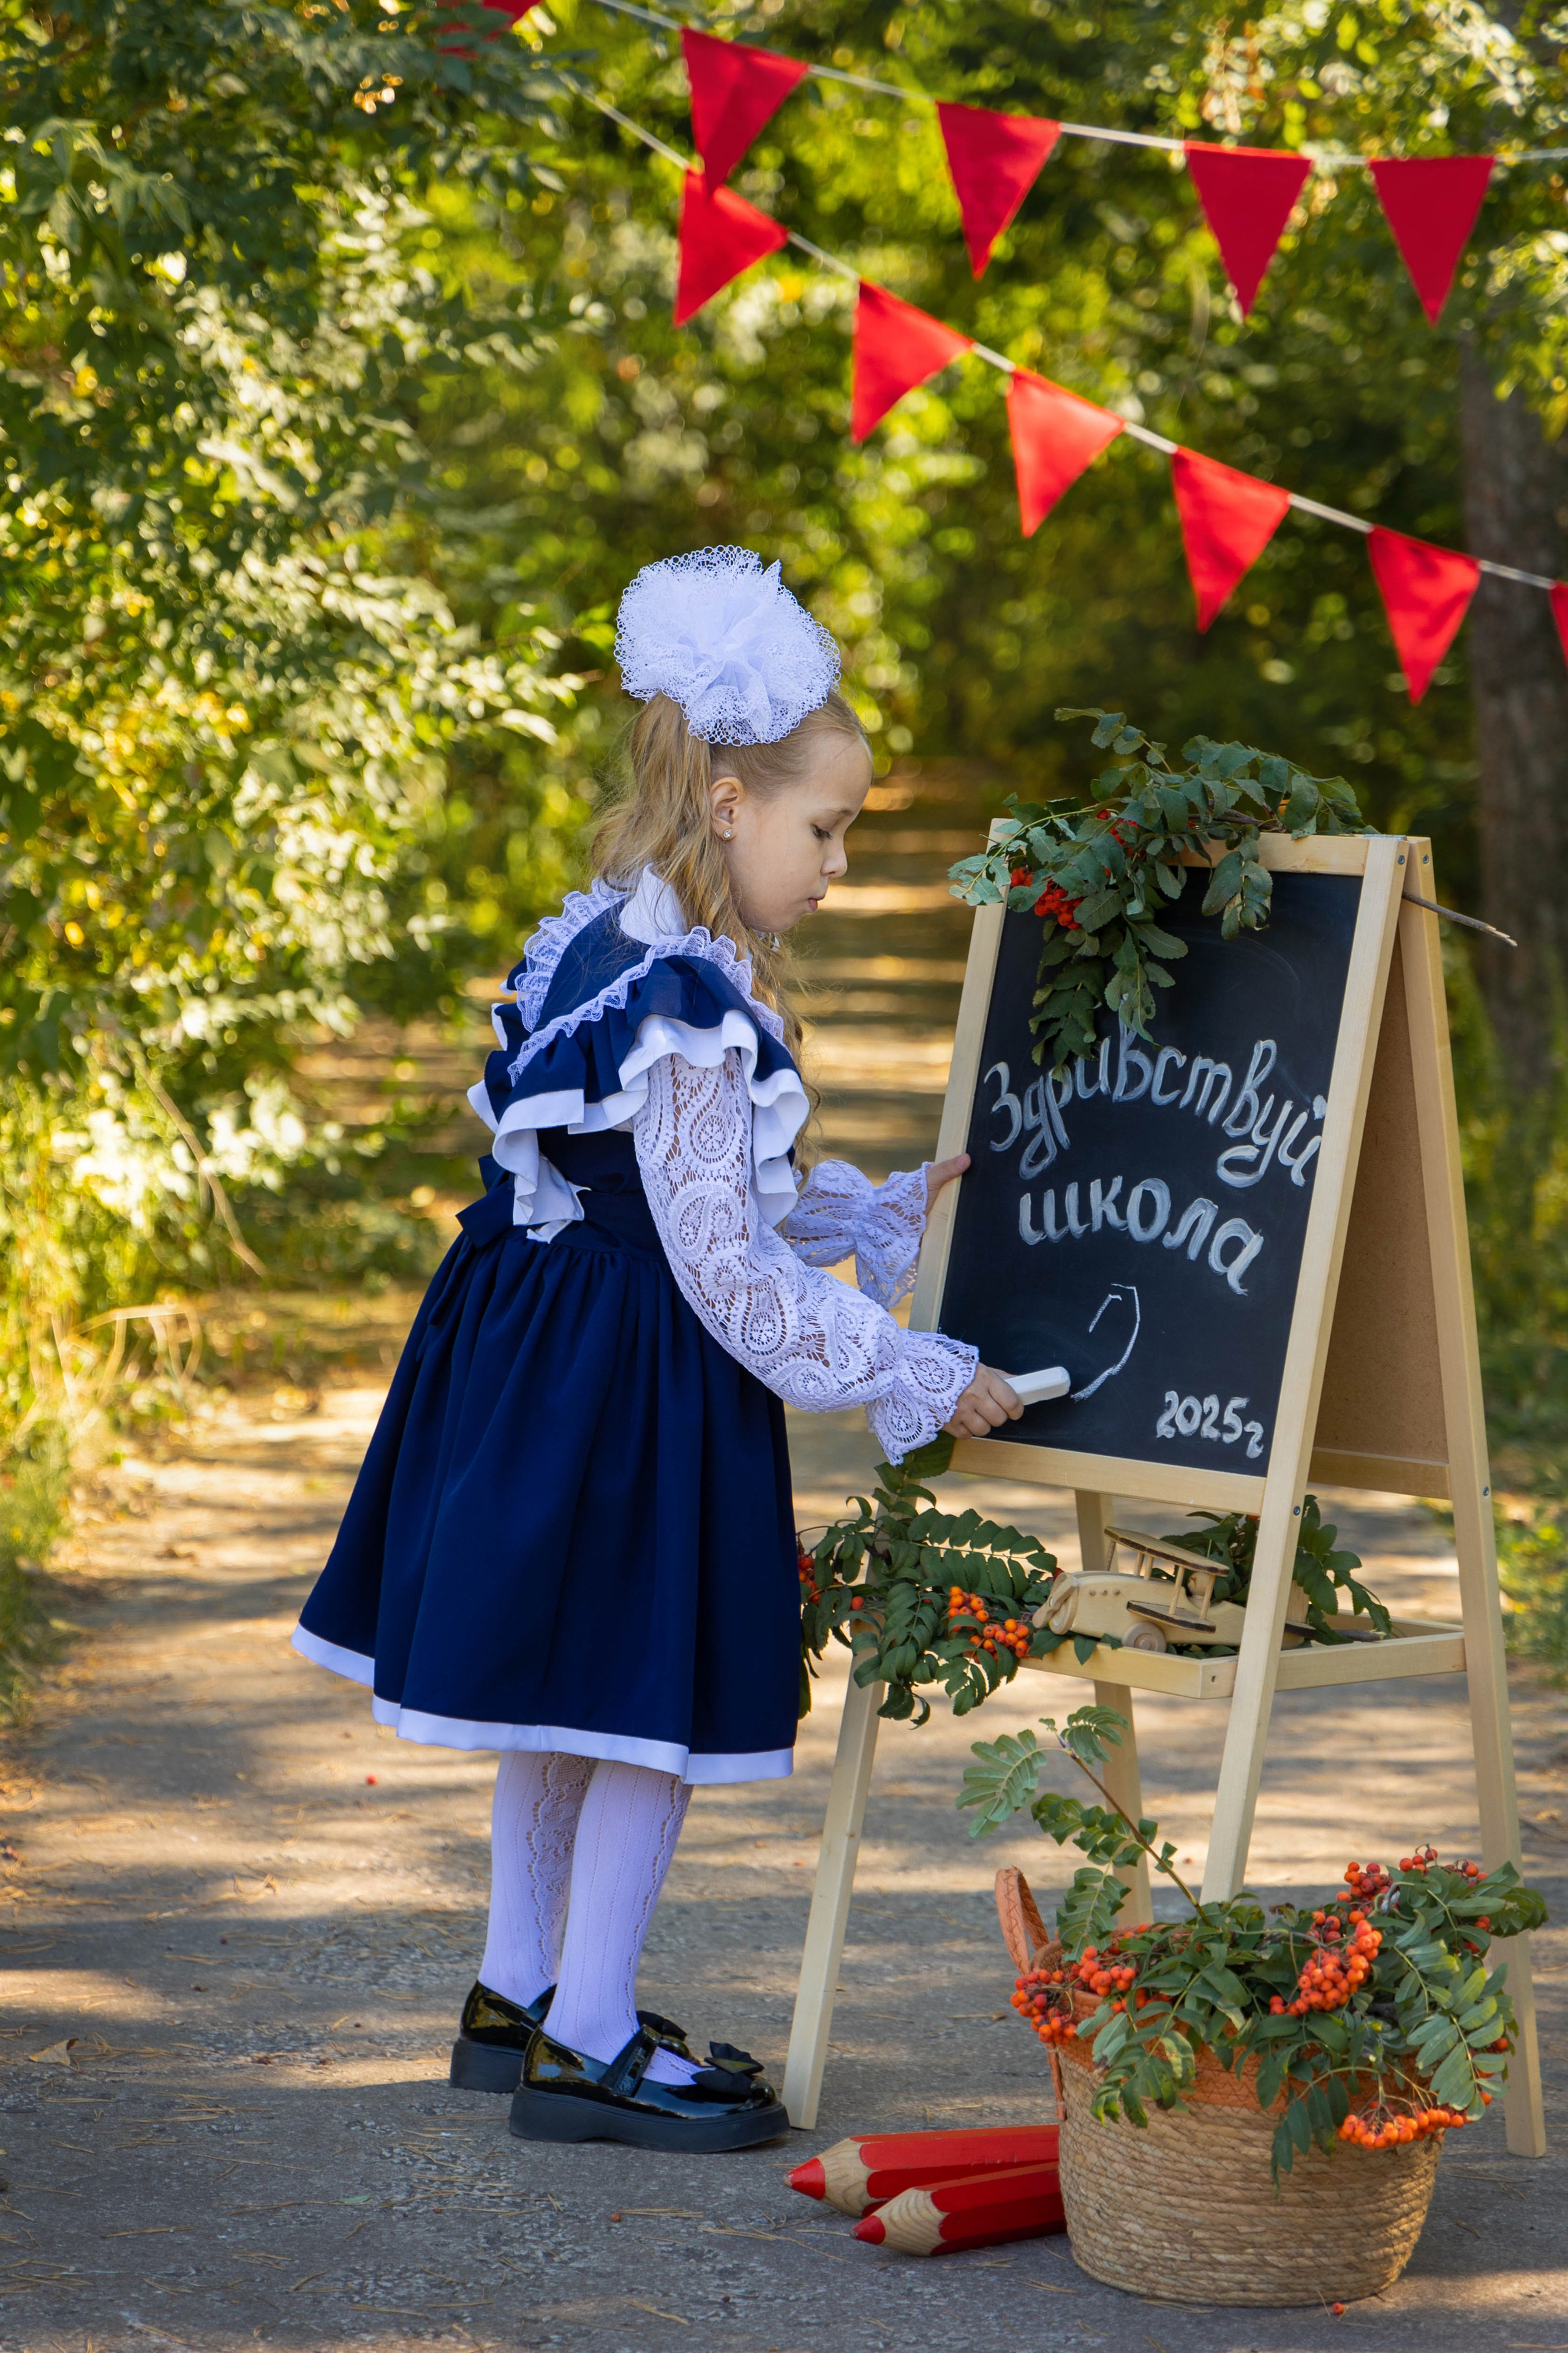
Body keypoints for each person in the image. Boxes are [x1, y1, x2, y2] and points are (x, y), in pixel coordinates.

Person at [291, 547, 1022, 2152]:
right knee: (649, 1705)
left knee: (566, 1690)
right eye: (825, 829)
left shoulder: (610, 941)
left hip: (539, 1355)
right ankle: (596, 2036)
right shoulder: (692, 996)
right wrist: (916, 1367)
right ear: (724, 803)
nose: (839, 864)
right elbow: (730, 1279)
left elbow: (681, 1191)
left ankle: (520, 1991)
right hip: (628, 1383)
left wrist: (869, 1215)